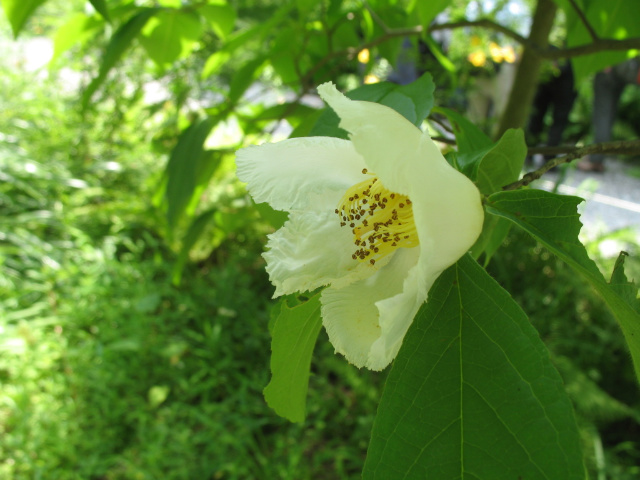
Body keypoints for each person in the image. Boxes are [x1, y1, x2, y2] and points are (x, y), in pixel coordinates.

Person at [579, 57, 640, 172]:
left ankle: (595, 160)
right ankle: (597, 158)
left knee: (603, 116)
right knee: (609, 114)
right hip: (623, 71)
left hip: (610, 69)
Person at [527, 58, 577, 163]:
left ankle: (530, 154)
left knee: (538, 115)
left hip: (550, 68)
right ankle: (547, 157)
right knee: (554, 119)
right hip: (566, 72)